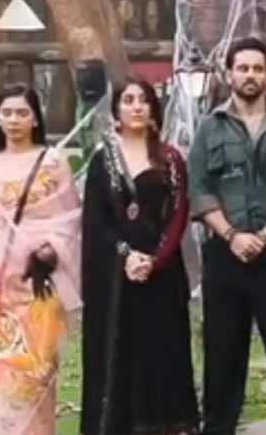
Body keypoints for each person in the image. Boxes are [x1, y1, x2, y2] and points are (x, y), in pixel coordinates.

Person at [188, 37, 266, 435]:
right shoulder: (209, 128)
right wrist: (232, 236)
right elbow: (199, 189)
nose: (250, 75)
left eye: (258, 69)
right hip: (225, 256)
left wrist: (263, 236)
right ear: (229, 74)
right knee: (222, 358)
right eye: (242, 68)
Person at [0, 84, 81, 435]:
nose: (14, 120)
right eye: (7, 113)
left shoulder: (52, 162)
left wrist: (47, 251)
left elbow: (71, 220)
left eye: (22, 113)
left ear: (35, 119)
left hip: (36, 284)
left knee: (34, 375)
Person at [80, 78, 198, 434]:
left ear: (152, 109)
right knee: (120, 351)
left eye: (143, 100)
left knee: (163, 352)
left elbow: (178, 214)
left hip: (162, 274)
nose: (136, 107)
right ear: (116, 110)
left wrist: (155, 260)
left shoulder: (170, 159)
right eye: (128, 100)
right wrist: (126, 256)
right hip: (116, 278)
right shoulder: (103, 161)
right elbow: (96, 221)